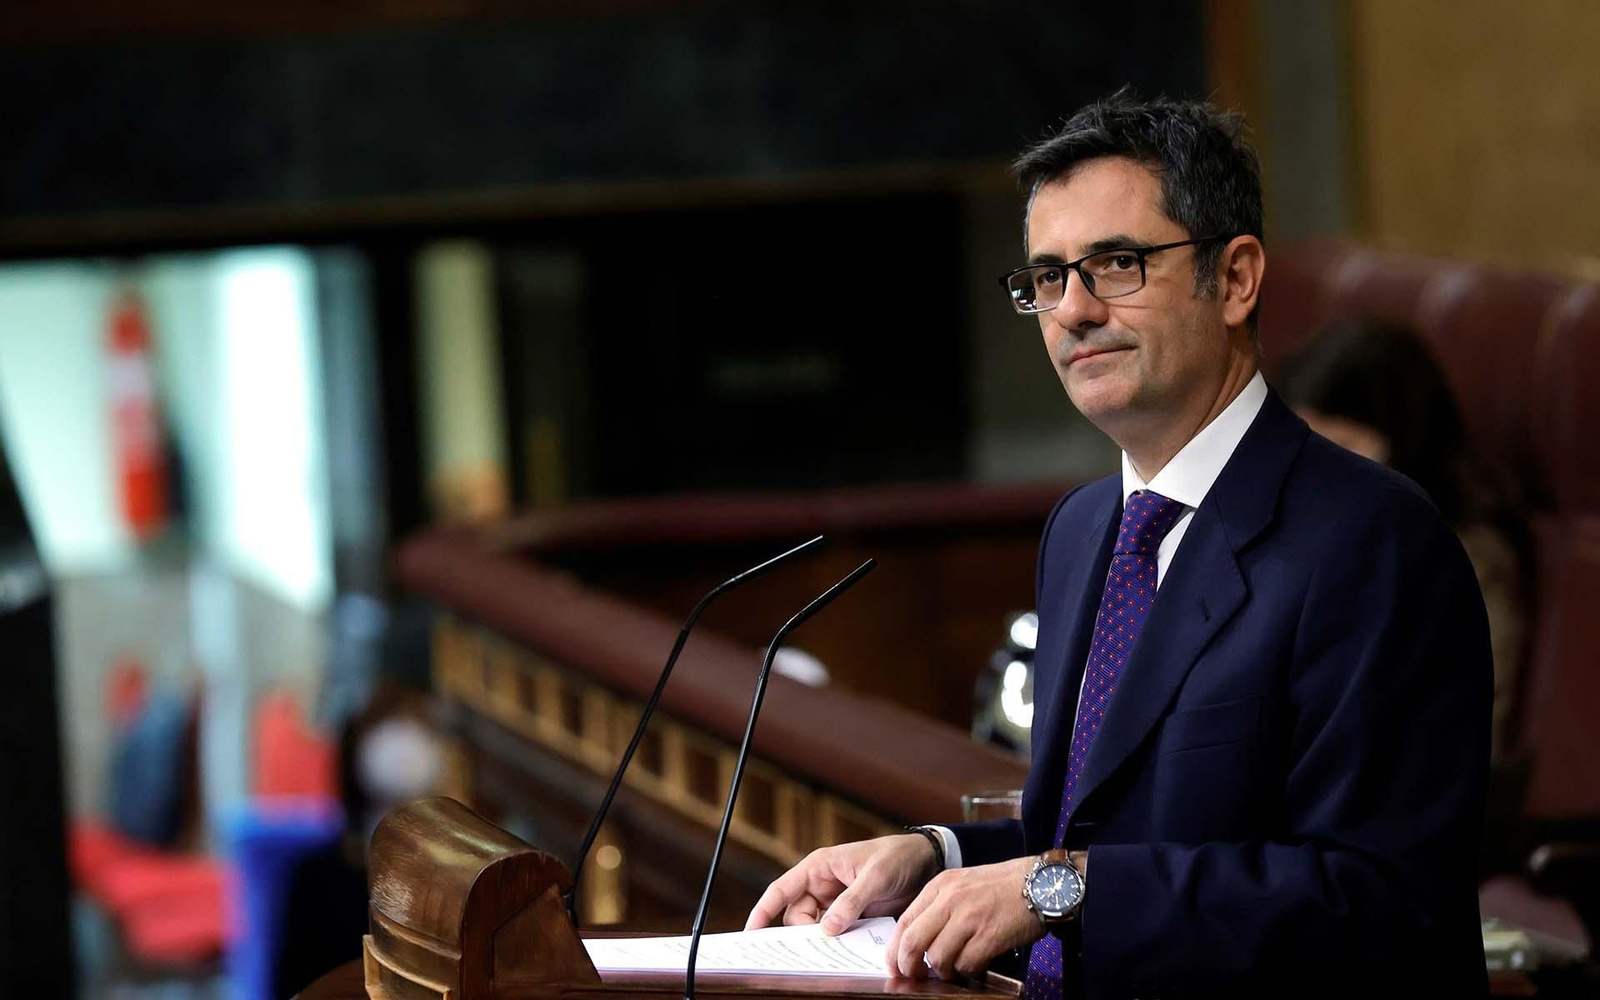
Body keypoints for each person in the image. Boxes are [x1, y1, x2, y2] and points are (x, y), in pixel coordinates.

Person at [746, 91, 1492, 997]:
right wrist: (930, 857)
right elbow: (1099, 846)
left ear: (1239, 278)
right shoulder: (1083, 528)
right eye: (1047, 278)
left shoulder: (1373, 541)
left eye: (1117, 264)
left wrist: (1048, 888)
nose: (1072, 311)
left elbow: (1379, 900)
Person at [1278, 317, 1528, 762]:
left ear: (1408, 444)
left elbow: (1459, 738)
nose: (1320, 470)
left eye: (1346, 445)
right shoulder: (1286, 531)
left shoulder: (1466, 559)